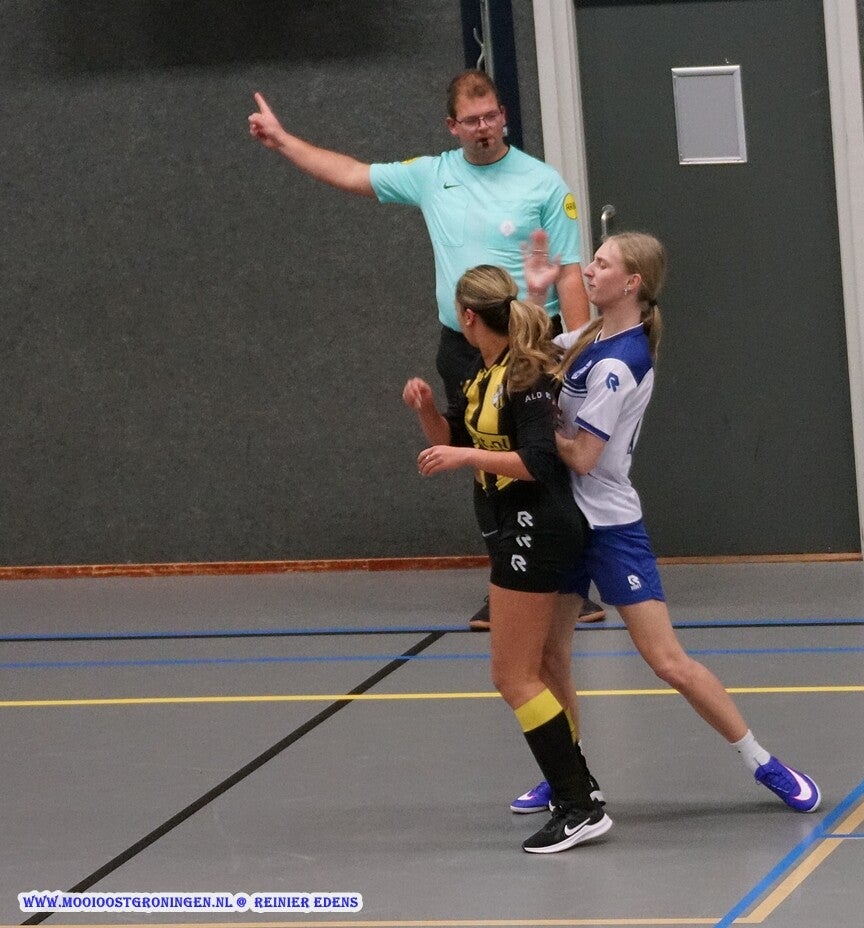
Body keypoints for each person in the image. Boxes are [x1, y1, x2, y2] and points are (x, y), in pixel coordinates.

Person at [249, 69, 605, 629]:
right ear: (452, 126)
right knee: (481, 458)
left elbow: (568, 275)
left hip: (530, 346)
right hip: (464, 347)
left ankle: (566, 584)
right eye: (471, 120)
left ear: (504, 116)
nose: (483, 128)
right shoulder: (432, 175)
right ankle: (507, 579)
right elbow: (352, 173)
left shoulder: (543, 184)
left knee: (541, 459)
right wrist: (283, 140)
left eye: (491, 116)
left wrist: (579, 361)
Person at [505, 231, 822, 817]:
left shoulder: (619, 363)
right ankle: (568, 775)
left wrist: (537, 432)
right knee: (551, 658)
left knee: (667, 661)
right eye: (592, 261)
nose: (589, 270)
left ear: (632, 283)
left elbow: (583, 457)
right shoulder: (591, 336)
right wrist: (535, 293)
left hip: (609, 527)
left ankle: (763, 761)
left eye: (602, 264)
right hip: (563, 520)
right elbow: (532, 354)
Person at [401, 241, 609, 853]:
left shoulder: (526, 375)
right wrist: (426, 413)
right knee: (533, 669)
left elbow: (540, 461)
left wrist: (462, 457)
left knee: (512, 675)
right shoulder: (482, 374)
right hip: (512, 527)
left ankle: (578, 805)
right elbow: (454, 432)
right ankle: (580, 790)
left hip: (535, 526)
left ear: (468, 316)